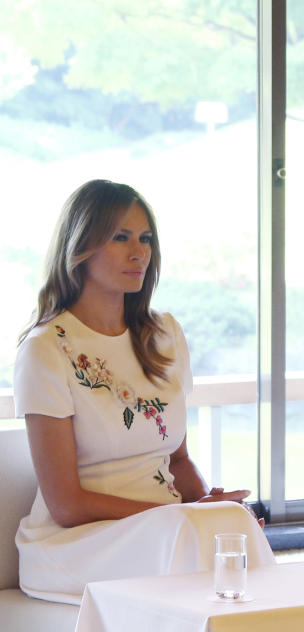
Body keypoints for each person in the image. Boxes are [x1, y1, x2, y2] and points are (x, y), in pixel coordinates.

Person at [14, 180, 274, 605]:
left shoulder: (164, 334)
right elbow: (66, 505)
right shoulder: (47, 347)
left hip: (164, 530)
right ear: (81, 245)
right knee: (185, 530)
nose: (139, 252)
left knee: (232, 522)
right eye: (120, 237)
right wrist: (180, 515)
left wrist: (208, 506)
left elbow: (178, 460)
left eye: (145, 238)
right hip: (76, 543)